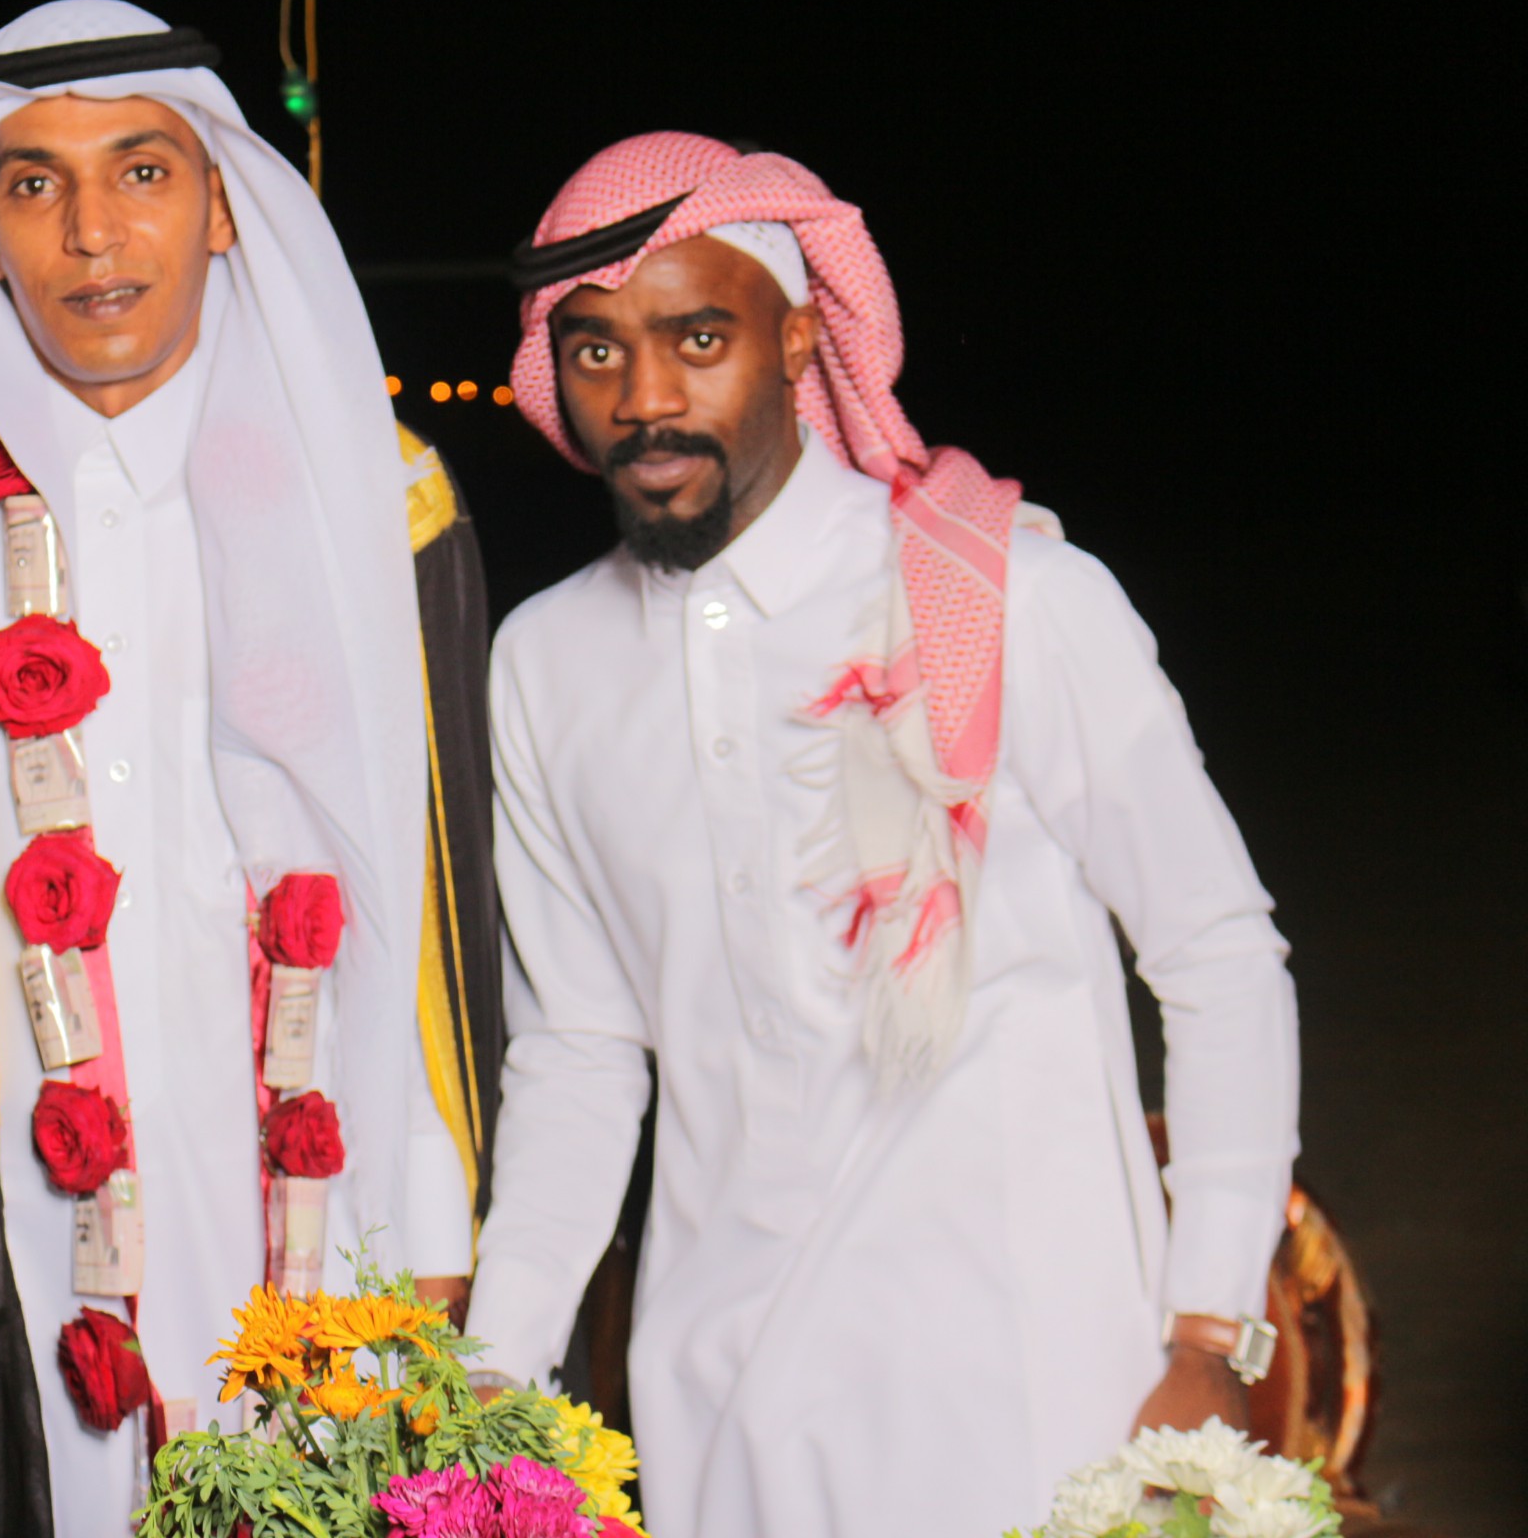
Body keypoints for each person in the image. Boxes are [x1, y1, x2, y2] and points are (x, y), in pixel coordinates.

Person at [0, 0, 502, 1536]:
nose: (91, 232)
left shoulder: (383, 514)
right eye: (33, 184)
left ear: (225, 209)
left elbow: (451, 931)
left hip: (323, 1253)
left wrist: (447, 1267)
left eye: (141, 170)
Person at [461, 132, 1301, 1537]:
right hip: (721, 1409)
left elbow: (1217, 953)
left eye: (700, 338)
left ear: (799, 339)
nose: (646, 399)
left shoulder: (1005, 592)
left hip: (1038, 1386)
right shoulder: (546, 664)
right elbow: (582, 1053)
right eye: (598, 351)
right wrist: (493, 1379)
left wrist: (1212, 1332)